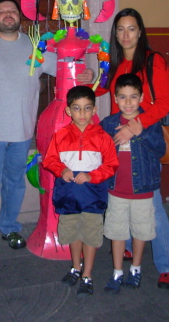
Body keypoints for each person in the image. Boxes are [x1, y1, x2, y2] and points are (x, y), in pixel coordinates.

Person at [0, 0, 94, 261]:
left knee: (14, 184)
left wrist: (86, 74)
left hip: (21, 132)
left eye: (13, 11)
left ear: (20, 17)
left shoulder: (35, 46)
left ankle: (9, 228)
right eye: (2, 12)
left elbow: (64, 66)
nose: (8, 15)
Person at [105, 7, 169, 289]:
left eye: (131, 28)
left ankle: (167, 264)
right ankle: (128, 247)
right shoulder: (116, 62)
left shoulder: (152, 60)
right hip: (119, 142)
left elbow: (163, 104)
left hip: (143, 142)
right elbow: (104, 89)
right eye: (120, 29)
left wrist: (137, 125)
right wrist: (91, 77)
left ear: (140, 31)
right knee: (120, 198)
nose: (125, 34)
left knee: (152, 205)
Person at [42, 86, 118, 296]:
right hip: (68, 196)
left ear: (94, 110)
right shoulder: (61, 135)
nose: (82, 113)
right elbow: (50, 160)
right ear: (68, 111)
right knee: (73, 232)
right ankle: (75, 267)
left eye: (87, 108)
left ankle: (87, 274)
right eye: (77, 108)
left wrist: (93, 175)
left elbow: (111, 164)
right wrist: (62, 169)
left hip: (93, 196)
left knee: (91, 235)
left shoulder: (103, 137)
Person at [101, 74, 166, 294]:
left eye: (133, 97)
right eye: (122, 97)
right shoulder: (110, 123)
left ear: (141, 98)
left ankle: (136, 269)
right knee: (117, 232)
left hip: (143, 190)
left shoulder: (149, 122)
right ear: (116, 99)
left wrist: (142, 134)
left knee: (141, 231)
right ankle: (117, 272)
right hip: (116, 189)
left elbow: (160, 150)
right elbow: (96, 146)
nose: (128, 103)